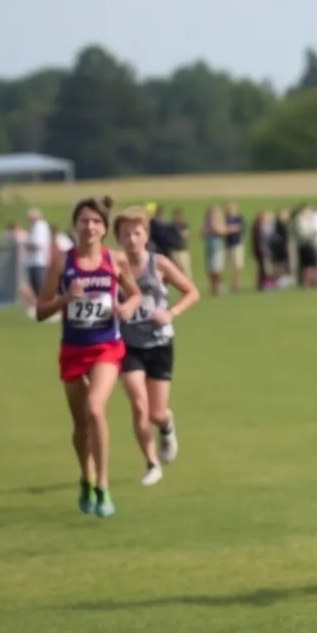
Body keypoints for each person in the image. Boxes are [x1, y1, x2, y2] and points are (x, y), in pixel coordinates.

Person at [36, 197, 141, 518]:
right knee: (80, 424)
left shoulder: (115, 260)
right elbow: (41, 310)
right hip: (73, 349)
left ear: (105, 229)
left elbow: (135, 293)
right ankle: (86, 475)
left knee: (96, 409)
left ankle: (104, 485)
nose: (90, 227)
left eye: (96, 222)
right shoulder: (61, 262)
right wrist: (66, 299)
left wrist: (127, 307)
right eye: (84, 221)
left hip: (106, 347)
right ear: (75, 225)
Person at [114, 207, 200, 486]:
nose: (131, 239)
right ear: (118, 237)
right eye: (125, 234)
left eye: (137, 233)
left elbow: (192, 292)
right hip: (128, 345)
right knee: (139, 405)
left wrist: (170, 313)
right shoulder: (113, 267)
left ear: (146, 235)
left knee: (156, 412)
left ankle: (166, 425)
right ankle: (152, 464)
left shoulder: (158, 264)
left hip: (160, 342)